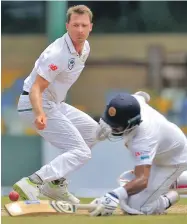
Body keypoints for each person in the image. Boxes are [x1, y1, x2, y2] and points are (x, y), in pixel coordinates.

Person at [89, 91, 187, 216]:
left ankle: (169, 197)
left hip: (173, 159)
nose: (109, 128)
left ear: (132, 123)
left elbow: (142, 179)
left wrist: (114, 196)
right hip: (163, 147)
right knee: (128, 188)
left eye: (115, 126)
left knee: (136, 207)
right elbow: (142, 96)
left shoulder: (143, 138)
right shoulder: (133, 102)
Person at [13, 5, 99, 204]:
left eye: (84, 25)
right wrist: (39, 112)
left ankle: (55, 184)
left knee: (93, 132)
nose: (80, 30)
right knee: (81, 152)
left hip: (55, 103)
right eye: (75, 25)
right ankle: (34, 181)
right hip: (34, 103)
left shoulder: (85, 47)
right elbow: (36, 88)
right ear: (67, 26)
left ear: (90, 27)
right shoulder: (57, 53)